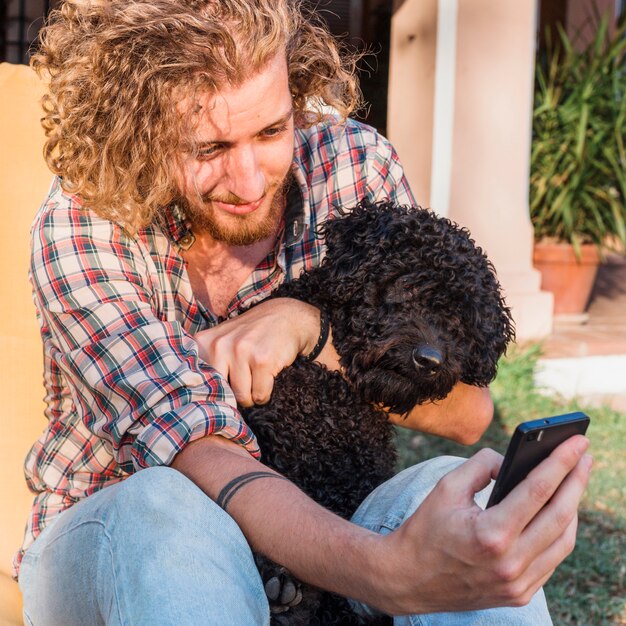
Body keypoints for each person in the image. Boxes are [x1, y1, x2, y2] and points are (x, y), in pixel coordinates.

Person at [16, 1, 591, 624]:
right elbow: (202, 449)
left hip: (332, 511)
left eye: (271, 131)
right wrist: (388, 573)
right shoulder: (84, 220)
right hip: (113, 523)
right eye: (208, 147)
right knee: (166, 508)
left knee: (450, 494)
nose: (249, 181)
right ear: (139, 132)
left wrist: (311, 331)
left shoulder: (352, 166)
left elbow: (465, 410)